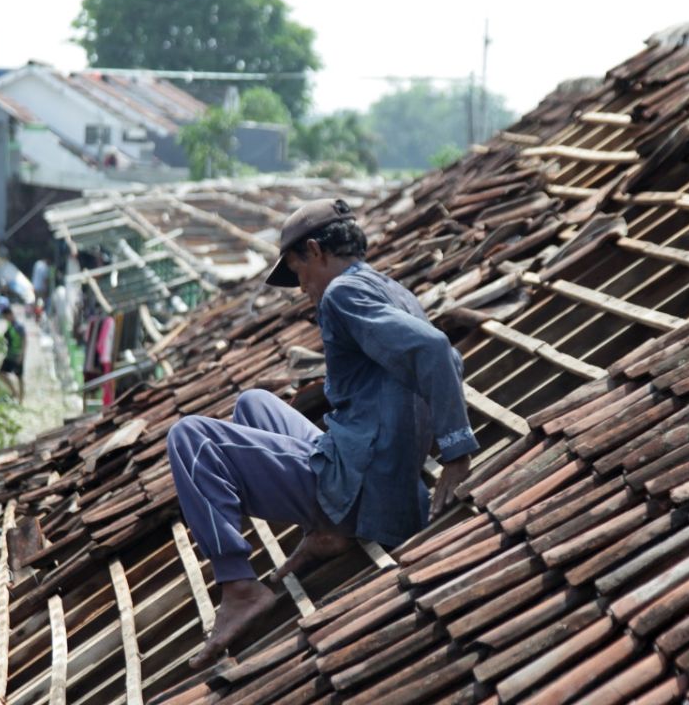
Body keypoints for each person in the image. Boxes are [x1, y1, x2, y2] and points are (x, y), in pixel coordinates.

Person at [166, 199, 478, 669]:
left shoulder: (341, 296)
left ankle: (238, 587)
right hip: (380, 475)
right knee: (253, 403)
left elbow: (434, 351)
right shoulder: (389, 288)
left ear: (315, 251)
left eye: (299, 274)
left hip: (362, 487)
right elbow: (448, 360)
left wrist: (457, 454)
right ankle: (329, 529)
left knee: (192, 438)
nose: (303, 289)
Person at [0, 304, 26, 402]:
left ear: (10, 314)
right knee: (1, 373)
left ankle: (21, 400)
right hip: (10, 354)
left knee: (19, 377)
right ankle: (15, 392)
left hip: (17, 355)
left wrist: (21, 355)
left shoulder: (18, 326)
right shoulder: (10, 326)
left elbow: (24, 341)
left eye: (5, 316)